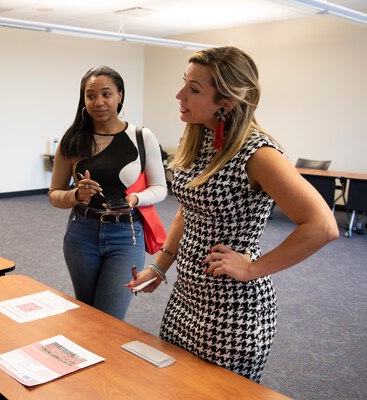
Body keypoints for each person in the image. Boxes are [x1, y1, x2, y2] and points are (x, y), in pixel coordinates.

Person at [128, 46, 338, 382]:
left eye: (194, 89)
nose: (179, 94)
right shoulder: (199, 134)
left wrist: (253, 268)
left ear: (226, 103)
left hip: (233, 311)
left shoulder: (258, 154)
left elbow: (323, 226)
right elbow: (190, 206)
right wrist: (159, 265)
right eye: (185, 82)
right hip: (186, 297)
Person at [49, 65, 167, 320]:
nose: (99, 102)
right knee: (87, 312)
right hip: (82, 232)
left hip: (126, 235)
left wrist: (136, 199)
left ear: (120, 95)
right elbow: (54, 194)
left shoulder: (141, 136)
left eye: (106, 94)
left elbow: (160, 188)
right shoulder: (73, 140)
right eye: (90, 96)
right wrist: (76, 196)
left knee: (109, 319)